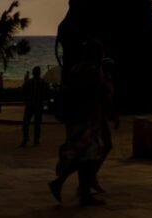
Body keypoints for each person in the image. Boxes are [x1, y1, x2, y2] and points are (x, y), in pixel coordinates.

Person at [50, 41, 109, 207]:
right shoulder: (92, 72)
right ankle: (82, 191)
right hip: (86, 119)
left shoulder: (76, 69)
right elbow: (101, 93)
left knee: (83, 154)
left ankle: (67, 184)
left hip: (77, 118)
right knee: (89, 155)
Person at [21, 66, 49, 147]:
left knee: (26, 123)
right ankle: (36, 140)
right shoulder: (43, 82)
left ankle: (26, 138)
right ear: (39, 73)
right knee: (37, 124)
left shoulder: (28, 82)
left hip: (30, 105)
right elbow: (46, 93)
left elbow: (23, 91)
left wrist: (26, 100)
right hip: (38, 105)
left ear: (33, 73)